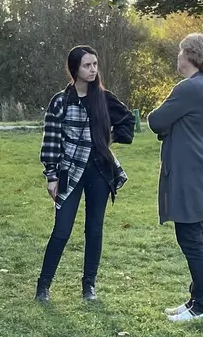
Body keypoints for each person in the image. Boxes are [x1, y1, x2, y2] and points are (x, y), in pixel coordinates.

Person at [36, 45, 137, 303]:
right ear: (75, 69)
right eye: (86, 65)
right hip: (69, 171)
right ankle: (43, 286)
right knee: (62, 229)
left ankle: (88, 286)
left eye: (95, 64)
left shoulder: (104, 98)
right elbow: (51, 140)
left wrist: (107, 140)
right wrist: (51, 175)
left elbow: (127, 120)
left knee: (94, 230)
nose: (92, 70)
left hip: (99, 171)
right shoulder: (61, 101)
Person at [147, 32, 203, 322]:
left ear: (191, 55)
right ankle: (196, 300)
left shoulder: (189, 88)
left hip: (192, 172)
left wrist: (167, 127)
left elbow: (156, 121)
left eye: (180, 52)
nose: (177, 57)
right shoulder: (202, 86)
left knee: (191, 238)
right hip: (197, 170)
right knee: (194, 236)